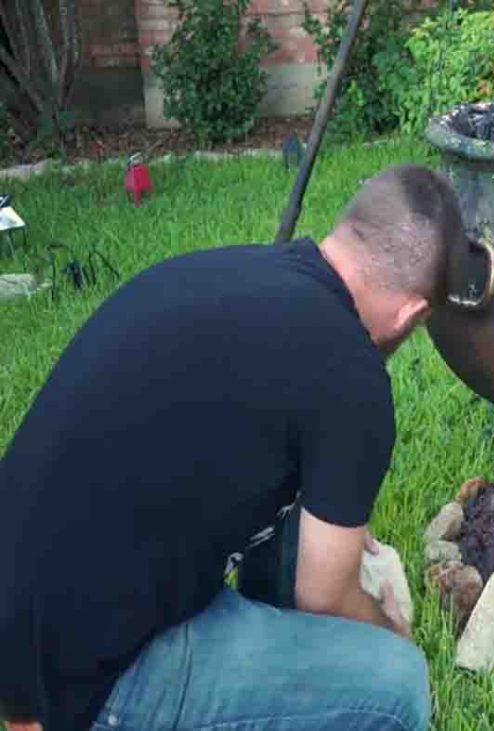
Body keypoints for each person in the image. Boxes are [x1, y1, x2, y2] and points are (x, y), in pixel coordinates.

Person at [0, 164, 469, 731]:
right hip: (88, 677)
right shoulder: (353, 375)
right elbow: (324, 595)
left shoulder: (236, 272)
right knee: (396, 684)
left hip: (24, 612)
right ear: (411, 313)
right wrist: (387, 627)